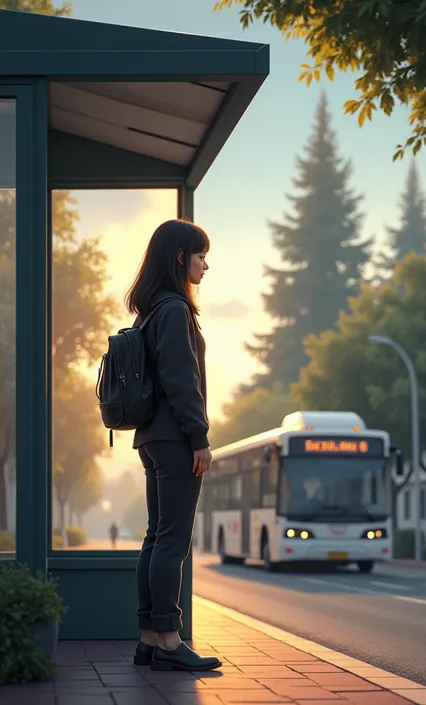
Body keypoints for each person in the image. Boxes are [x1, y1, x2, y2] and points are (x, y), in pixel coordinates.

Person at [125, 219, 221, 673]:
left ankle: (149, 636)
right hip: (175, 438)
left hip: (151, 438)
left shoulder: (149, 310)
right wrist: (199, 438)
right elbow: (182, 380)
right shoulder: (174, 309)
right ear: (180, 256)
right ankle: (168, 638)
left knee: (156, 536)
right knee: (173, 541)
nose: (205, 263)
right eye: (200, 254)